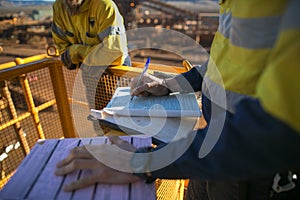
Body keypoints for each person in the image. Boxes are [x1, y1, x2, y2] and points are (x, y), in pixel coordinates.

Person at [54, 0, 300, 199]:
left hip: (245, 164)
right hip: (209, 147)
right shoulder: (234, 5)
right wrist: (169, 85)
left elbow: (277, 129)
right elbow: (222, 65)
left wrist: (142, 161)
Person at [51, 0, 131, 134]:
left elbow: (115, 52)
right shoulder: (59, 7)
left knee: (123, 122)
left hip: (116, 72)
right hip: (90, 73)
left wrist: (76, 52)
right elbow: (62, 49)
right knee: (99, 121)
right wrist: (93, 55)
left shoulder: (103, 6)